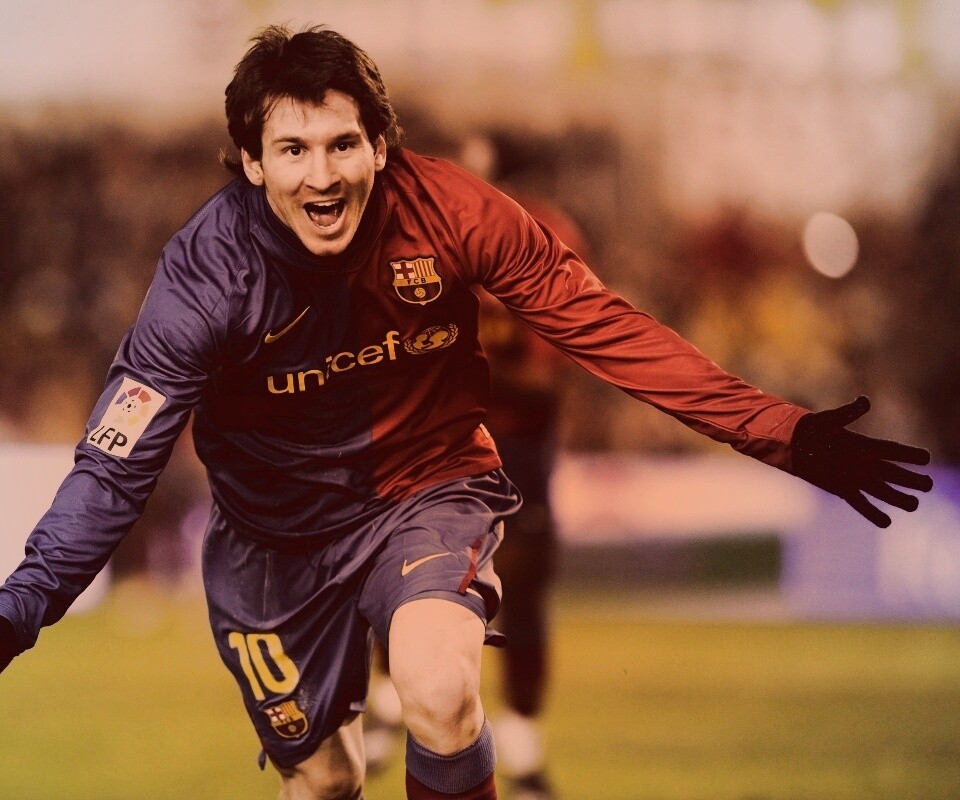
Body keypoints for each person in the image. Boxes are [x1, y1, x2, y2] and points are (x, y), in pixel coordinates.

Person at [0, 24, 933, 800]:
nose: (322, 176)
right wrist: (20, 610)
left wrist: (781, 431)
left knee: (440, 689)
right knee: (323, 779)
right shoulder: (203, 278)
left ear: (381, 145)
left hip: (426, 487)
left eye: (343, 144)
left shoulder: (452, 212)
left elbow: (604, 327)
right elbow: (114, 464)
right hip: (271, 541)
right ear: (251, 162)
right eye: (292, 150)